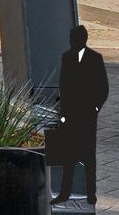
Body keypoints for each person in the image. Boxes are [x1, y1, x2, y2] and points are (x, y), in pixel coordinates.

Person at [52, 23, 106, 205]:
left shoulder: (95, 58)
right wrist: (63, 113)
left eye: (74, 39)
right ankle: (64, 193)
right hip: (71, 115)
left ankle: (91, 194)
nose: (72, 42)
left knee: (89, 157)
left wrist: (95, 108)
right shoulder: (66, 58)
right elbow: (64, 86)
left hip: (88, 115)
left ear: (82, 40)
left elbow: (103, 87)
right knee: (68, 156)